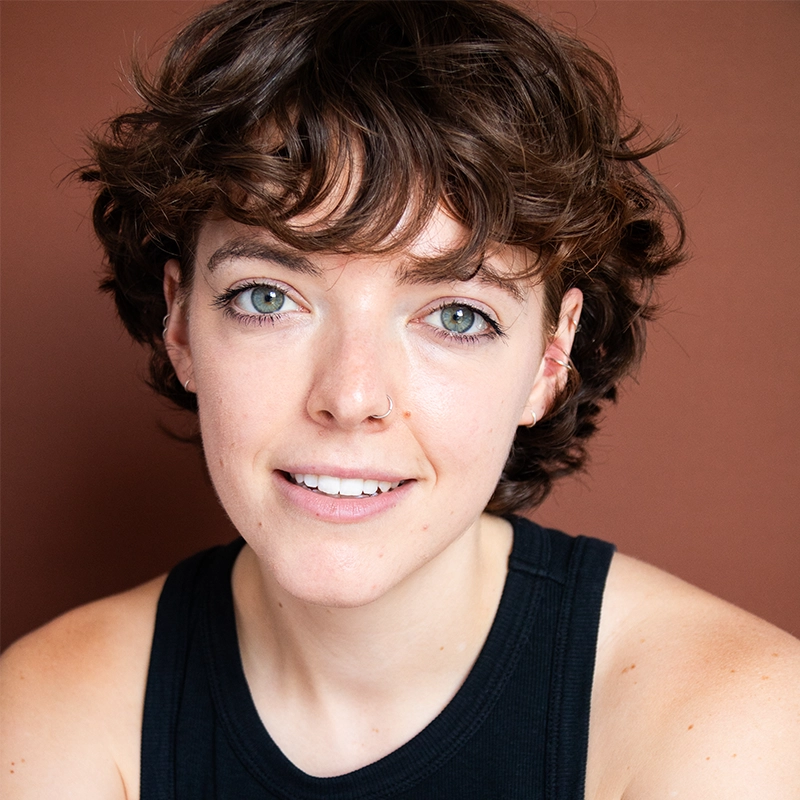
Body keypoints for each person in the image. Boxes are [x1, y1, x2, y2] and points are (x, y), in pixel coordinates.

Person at [2, 1, 798, 797]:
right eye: (267, 298)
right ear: (179, 323)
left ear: (551, 357)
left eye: (457, 316)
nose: (350, 397)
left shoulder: (729, 724)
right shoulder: (48, 718)